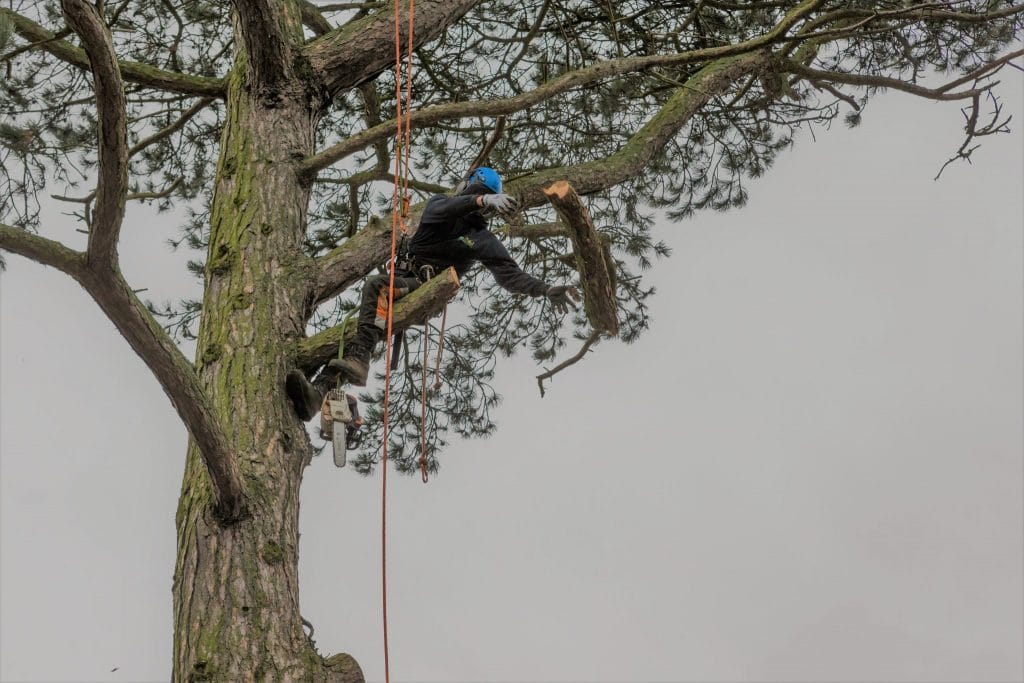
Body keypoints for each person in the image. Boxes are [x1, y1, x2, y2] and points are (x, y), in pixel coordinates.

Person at [286, 167, 580, 421]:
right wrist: (482, 198)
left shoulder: (481, 239)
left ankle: (360, 362)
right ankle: (317, 395)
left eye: (481, 198)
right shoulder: (440, 207)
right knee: (359, 332)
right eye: (479, 198)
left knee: (376, 288)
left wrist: (545, 289)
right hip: (402, 284)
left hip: (422, 287)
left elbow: (510, 274)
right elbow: (444, 209)